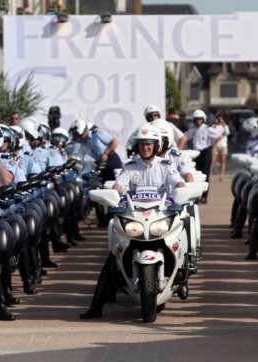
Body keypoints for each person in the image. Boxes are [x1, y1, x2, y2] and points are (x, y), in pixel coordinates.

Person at [79, 124, 185, 319]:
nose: (145, 147)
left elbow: (179, 183)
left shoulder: (166, 166)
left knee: (182, 237)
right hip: (136, 220)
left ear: (155, 145)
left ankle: (183, 275)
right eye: (142, 144)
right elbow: (119, 186)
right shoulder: (130, 167)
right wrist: (112, 195)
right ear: (137, 146)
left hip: (160, 219)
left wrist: (182, 192)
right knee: (112, 258)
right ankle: (96, 306)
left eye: (149, 144)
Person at [180, 110, 224, 202]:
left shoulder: (207, 129)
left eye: (200, 119)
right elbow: (184, 137)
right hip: (196, 154)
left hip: (206, 153)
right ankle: (197, 196)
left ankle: (204, 197)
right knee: (196, 176)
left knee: (205, 175)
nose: (198, 121)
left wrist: (212, 146)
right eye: (196, 119)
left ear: (203, 119)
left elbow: (219, 136)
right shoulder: (193, 129)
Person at [210, 113, 231, 181]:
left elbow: (227, 133)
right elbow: (211, 133)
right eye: (217, 118)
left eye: (220, 118)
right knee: (212, 161)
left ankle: (221, 176)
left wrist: (223, 124)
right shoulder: (213, 126)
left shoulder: (225, 126)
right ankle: (208, 173)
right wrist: (215, 124)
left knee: (223, 161)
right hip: (215, 145)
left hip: (223, 145)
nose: (218, 120)